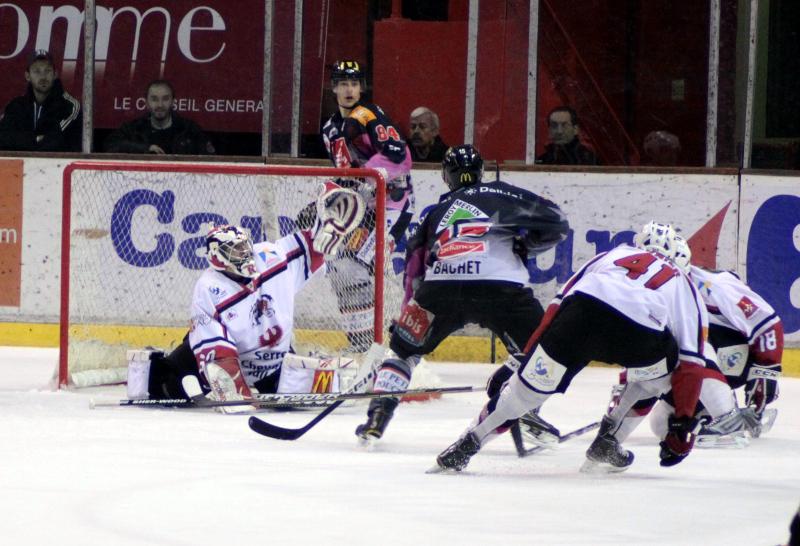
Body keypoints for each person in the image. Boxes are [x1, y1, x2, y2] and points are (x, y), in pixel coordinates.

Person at [433, 222, 729, 473]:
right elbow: (692, 364)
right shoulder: (684, 283)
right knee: (664, 372)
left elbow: (556, 308)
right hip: (636, 337)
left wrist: (528, 360)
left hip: (581, 316)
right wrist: (682, 425)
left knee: (524, 394)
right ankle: (609, 440)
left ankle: (466, 444)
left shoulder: (613, 254)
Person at [354, 144, 569, 444]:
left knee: (403, 352)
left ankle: (377, 418)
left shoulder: (436, 213)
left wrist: (408, 311)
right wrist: (526, 245)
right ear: (481, 172)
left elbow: (414, 266)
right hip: (501, 287)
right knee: (540, 352)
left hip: (441, 289)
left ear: (446, 176)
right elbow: (557, 222)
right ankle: (523, 409)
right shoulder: (504, 194)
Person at [126, 182, 366, 412]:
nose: (245, 255)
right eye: (235, 251)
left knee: (301, 393)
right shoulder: (209, 287)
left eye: (245, 247)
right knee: (165, 385)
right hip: (219, 356)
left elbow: (311, 249)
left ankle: (337, 379)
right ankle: (157, 371)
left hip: (272, 361)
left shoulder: (270, 257)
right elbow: (215, 349)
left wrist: (325, 231)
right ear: (218, 257)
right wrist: (238, 391)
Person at [609, 234, 782, 445]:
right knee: (662, 424)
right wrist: (621, 410)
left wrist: (765, 372)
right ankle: (709, 411)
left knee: (687, 342)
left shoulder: (713, 284)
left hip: (732, 357)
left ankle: (727, 419)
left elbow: (766, 322)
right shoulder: (650, 291)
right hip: (698, 359)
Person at [321, 60, 415, 353]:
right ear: (334, 88)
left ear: (361, 88)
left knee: (355, 267)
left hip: (393, 207)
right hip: (363, 209)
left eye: (354, 84)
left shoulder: (368, 115)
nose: (349, 90)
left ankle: (376, 345)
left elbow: (401, 157)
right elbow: (344, 173)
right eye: (343, 84)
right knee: (340, 268)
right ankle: (359, 344)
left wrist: (369, 177)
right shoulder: (330, 128)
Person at [0, 49, 82, 152]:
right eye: (37, 71)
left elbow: (57, 142)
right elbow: (3, 138)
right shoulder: (16, 106)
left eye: (47, 71)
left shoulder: (70, 106)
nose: (43, 77)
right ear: (27, 76)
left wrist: (23, 141)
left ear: (55, 74)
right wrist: (36, 139)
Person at [105, 79, 215, 154]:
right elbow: (110, 145)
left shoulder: (189, 130)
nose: (160, 105)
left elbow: (210, 157)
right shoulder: (134, 129)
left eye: (165, 99)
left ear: (173, 101)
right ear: (146, 102)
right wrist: (145, 149)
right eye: (154, 99)